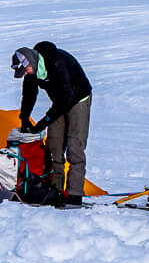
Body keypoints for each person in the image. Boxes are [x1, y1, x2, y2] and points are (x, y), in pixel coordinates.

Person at [13, 42, 91, 206]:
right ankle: (54, 190)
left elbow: (66, 98)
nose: (26, 74)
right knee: (53, 145)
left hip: (78, 99)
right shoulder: (31, 70)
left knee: (74, 146)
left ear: (29, 62)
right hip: (60, 101)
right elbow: (29, 95)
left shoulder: (56, 62)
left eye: (25, 70)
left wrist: (44, 122)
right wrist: (25, 118)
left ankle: (74, 194)